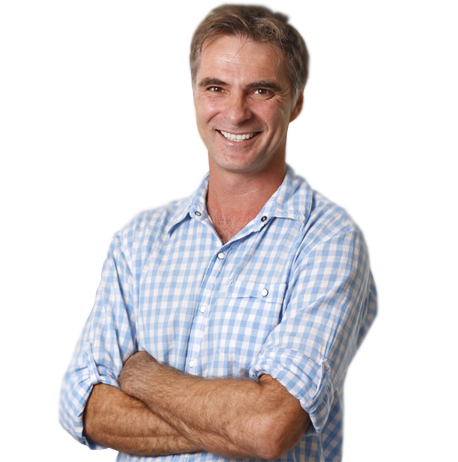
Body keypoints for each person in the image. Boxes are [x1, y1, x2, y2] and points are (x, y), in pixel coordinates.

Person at [57, 2, 380, 461]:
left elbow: (271, 427)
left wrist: (143, 376)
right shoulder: (140, 238)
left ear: (297, 105)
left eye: (261, 90)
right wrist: (234, 422)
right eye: (216, 87)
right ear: (195, 98)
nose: (235, 112)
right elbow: (84, 407)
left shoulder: (328, 239)